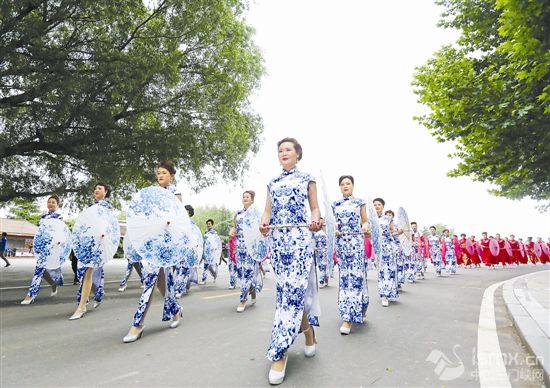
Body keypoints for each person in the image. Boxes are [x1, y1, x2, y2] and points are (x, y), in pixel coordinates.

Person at [259, 138, 321, 385]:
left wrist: (315, 220)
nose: (283, 153)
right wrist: (264, 225)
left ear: (298, 155)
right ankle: (308, 332)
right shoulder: (272, 183)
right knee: (286, 294)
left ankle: (279, 353)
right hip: (279, 244)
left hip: (300, 242)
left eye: (288, 150)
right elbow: (267, 211)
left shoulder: (308, 179)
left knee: (292, 295)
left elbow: (314, 209)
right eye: (280, 150)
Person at [123, 160, 183, 342]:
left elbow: (179, 219)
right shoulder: (152, 194)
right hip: (152, 241)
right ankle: (176, 309)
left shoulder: (176, 194)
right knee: (161, 281)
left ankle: (137, 324)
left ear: (171, 176)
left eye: (164, 172)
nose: (160, 175)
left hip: (166, 243)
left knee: (150, 280)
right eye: (158, 172)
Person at [69, 184, 113, 319]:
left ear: (106, 193)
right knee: (83, 273)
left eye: (100, 188)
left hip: (98, 243)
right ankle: (98, 294)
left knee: (88, 271)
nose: (97, 190)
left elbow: (109, 226)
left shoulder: (107, 208)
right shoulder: (91, 207)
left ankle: (81, 307)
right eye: (96, 188)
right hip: (87, 242)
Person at [332, 175, 369, 335]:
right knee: (345, 278)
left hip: (356, 244)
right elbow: (333, 224)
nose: (345, 186)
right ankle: (352, 309)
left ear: (353, 185)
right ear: (340, 187)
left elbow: (365, 221)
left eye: (348, 183)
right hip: (341, 245)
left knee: (356, 277)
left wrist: (366, 228)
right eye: (342, 184)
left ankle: (349, 317)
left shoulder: (359, 202)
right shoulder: (334, 205)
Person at [21, 195, 64, 304]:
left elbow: (61, 231)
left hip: (54, 246)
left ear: (57, 205)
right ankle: (45, 288)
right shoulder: (43, 217)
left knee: (47, 269)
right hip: (43, 246)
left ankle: (33, 294)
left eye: (53, 202)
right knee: (41, 270)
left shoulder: (59, 217)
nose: (50, 204)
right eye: (49, 202)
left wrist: (59, 241)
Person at [233, 190, 263, 312]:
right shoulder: (238, 213)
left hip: (251, 246)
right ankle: (252, 291)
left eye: (247, 197)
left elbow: (260, 228)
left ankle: (243, 299)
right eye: (243, 196)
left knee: (248, 272)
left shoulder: (256, 213)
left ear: (252, 199)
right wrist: (232, 231)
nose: (245, 198)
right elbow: (234, 227)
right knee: (241, 272)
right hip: (239, 245)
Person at [373, 198, 399, 306]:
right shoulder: (370, 219)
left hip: (388, 246)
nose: (377, 206)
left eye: (379, 204)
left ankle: (386, 295)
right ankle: (383, 292)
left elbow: (393, 232)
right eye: (375, 205)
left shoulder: (388, 219)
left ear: (383, 206)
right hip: (377, 248)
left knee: (388, 270)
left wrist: (399, 232)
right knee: (381, 272)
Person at [200, 219, 220, 284]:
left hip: (212, 252)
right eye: (207, 224)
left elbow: (216, 242)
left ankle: (214, 274)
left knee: (211, 266)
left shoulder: (214, 233)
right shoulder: (206, 233)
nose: (208, 225)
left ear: (212, 225)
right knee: (206, 266)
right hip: (206, 251)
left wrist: (215, 250)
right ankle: (204, 279)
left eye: (209, 224)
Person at [313, 219, 329, 288]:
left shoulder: (316, 234)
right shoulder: (323, 234)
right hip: (324, 252)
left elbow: (314, 245)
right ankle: (324, 281)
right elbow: (326, 244)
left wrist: (315, 248)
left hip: (319, 252)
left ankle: (322, 281)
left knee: (321, 266)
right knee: (324, 266)